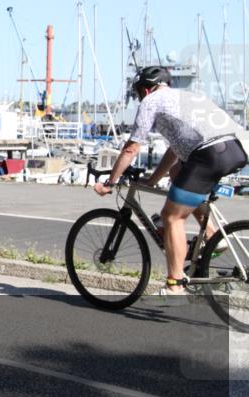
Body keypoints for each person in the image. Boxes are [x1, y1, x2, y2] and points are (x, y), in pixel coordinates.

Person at [94, 66, 247, 299]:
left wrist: (110, 182)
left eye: (138, 94)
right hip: (234, 150)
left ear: (145, 89)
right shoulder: (187, 96)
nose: (139, 98)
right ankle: (212, 235)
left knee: (172, 217)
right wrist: (154, 180)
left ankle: (175, 285)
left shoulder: (151, 101)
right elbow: (175, 151)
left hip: (207, 155)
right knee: (178, 173)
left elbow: (132, 147)